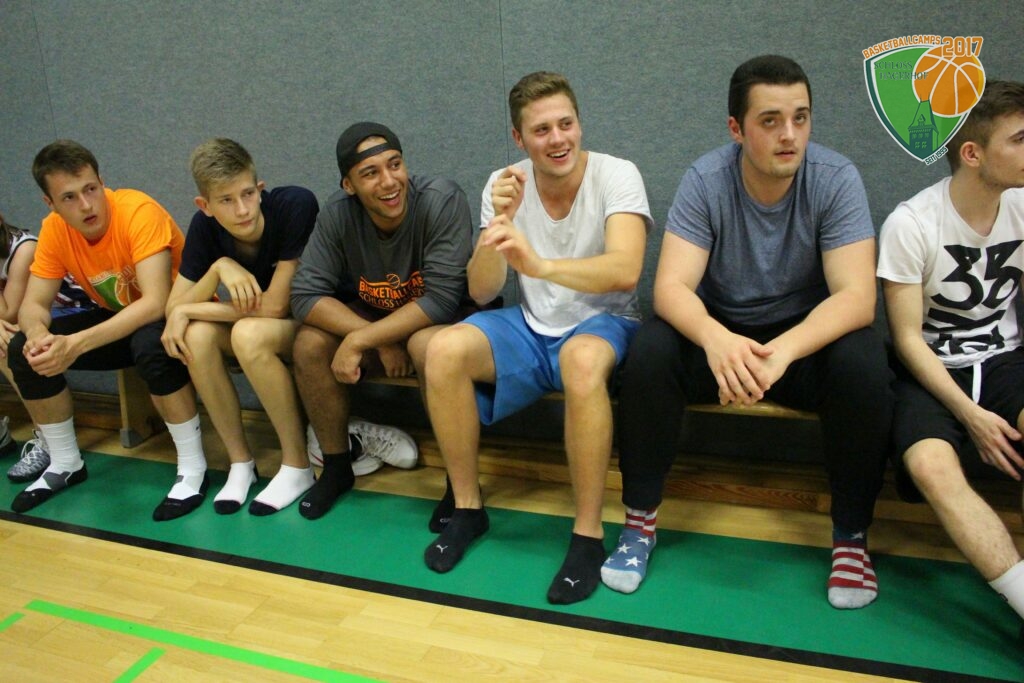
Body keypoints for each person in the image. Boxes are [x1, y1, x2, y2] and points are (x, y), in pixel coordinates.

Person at [606, 55, 892, 610]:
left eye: (801, 118)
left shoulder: (835, 178)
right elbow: (671, 288)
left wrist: (782, 352)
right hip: (722, 338)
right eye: (770, 120)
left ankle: (851, 538)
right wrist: (717, 340)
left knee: (863, 360)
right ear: (736, 129)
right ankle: (639, 522)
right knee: (651, 351)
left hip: (801, 343)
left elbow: (857, 298)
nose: (790, 135)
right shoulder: (706, 180)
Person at [422, 71, 652, 605]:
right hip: (531, 327)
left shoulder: (617, 174)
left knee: (581, 360)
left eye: (565, 124)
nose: (557, 139)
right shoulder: (504, 184)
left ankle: (588, 535)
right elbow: (481, 291)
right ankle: (467, 508)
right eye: (541, 130)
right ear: (519, 138)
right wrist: (498, 224)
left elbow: (625, 271)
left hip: (604, 323)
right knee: (444, 349)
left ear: (579, 124)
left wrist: (541, 266)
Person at [877, 80, 1024, 633]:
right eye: (1020, 139)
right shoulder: (911, 223)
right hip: (931, 369)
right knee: (929, 466)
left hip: (1005, 359)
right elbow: (907, 338)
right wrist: (970, 415)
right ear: (973, 153)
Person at [7, 139, 209, 521]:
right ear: (50, 203)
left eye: (90, 189)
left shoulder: (137, 211)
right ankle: (65, 463)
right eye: (69, 197)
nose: (86, 205)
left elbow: (155, 302)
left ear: (102, 182)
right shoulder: (54, 230)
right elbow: (32, 305)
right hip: (120, 319)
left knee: (150, 344)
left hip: (180, 315)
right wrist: (38, 337)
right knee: (22, 349)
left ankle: (192, 468)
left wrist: (76, 344)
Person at [289, 122, 474, 520]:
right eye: (370, 173)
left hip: (443, 324)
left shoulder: (441, 199)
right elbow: (304, 295)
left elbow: (441, 300)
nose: (389, 181)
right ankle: (337, 467)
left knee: (428, 346)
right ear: (349, 185)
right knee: (309, 343)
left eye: (395, 164)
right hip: (378, 323)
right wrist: (375, 338)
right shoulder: (338, 215)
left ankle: (458, 485)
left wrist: (362, 340)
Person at [161, 138, 319, 515]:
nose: (243, 209)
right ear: (205, 206)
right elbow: (172, 309)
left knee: (245, 333)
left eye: (248, 194)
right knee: (196, 335)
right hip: (258, 326)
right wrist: (219, 269)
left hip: (308, 326)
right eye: (227, 200)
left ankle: (297, 465)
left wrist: (188, 310)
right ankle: (240, 463)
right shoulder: (204, 229)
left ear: (260, 188)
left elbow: (277, 307)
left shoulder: (295, 205)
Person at [0, 210, 96, 482]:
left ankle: (47, 441)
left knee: (7, 345)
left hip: (75, 311)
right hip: (36, 318)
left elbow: (10, 313)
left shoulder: (24, 249)